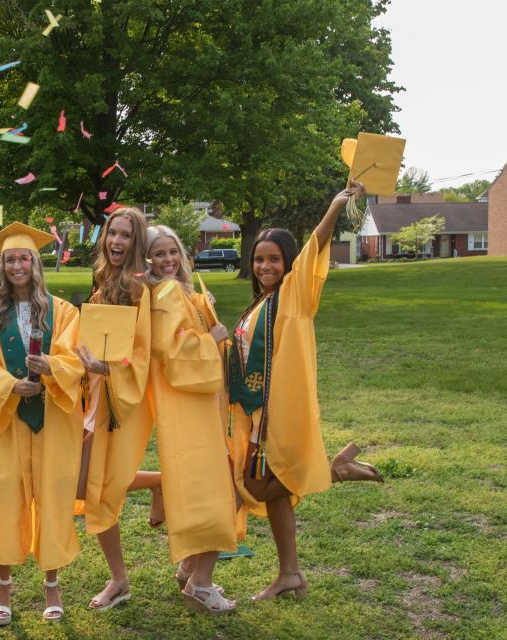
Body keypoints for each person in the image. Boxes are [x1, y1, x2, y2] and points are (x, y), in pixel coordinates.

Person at [228, 180, 382, 601]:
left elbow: (318, 244)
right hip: (257, 410)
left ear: (289, 263)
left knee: (256, 486)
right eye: (259, 259)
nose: (264, 267)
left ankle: (332, 471)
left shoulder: (294, 294)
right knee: (274, 493)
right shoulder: (259, 304)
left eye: (274, 259)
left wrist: (334, 207)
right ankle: (290, 573)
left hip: (280, 410)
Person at [0, 223, 85, 625]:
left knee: (52, 495)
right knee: (3, 497)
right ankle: (3, 584)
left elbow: (75, 360)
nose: (17, 265)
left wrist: (51, 366)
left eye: (24, 258)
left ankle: (51, 583)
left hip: (52, 418)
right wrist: (11, 384)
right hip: (7, 420)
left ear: (36, 264)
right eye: (10, 259)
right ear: (1, 268)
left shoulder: (64, 311)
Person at [146, 224, 238, 614]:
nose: (168, 260)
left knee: (206, 489)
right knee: (216, 493)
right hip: (187, 405)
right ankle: (200, 583)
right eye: (158, 254)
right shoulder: (166, 292)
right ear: (147, 259)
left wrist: (202, 308)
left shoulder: (179, 290)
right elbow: (174, 353)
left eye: (172, 252)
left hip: (195, 406)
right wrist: (212, 337)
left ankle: (190, 568)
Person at [74, 207, 155, 610]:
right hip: (99, 395)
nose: (117, 242)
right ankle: (161, 482)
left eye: (125, 235)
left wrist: (105, 367)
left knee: (97, 487)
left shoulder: (143, 289)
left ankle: (119, 580)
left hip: (125, 399)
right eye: (112, 234)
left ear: (137, 241)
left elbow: (145, 355)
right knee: (88, 485)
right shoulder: (105, 281)